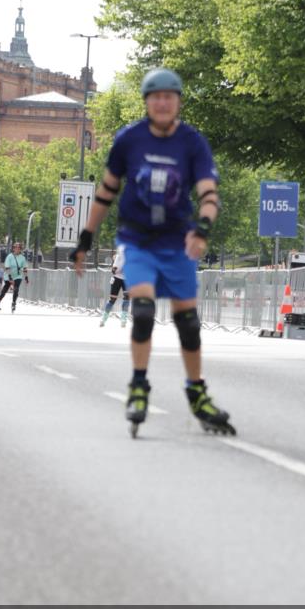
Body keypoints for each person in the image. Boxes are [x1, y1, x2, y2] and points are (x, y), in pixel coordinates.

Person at [71, 67, 235, 435]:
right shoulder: (129, 139)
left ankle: (197, 392)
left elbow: (209, 195)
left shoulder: (192, 143)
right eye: (156, 97)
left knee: (188, 324)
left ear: (177, 102)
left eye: (169, 97)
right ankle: (139, 386)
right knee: (142, 311)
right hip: (137, 239)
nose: (163, 103)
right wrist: (85, 239)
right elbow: (106, 192)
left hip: (177, 242)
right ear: (147, 102)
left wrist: (203, 228)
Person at [0, 241, 29, 313]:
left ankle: (13, 303)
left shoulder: (22, 258)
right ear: (13, 249)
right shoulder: (9, 257)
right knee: (5, 289)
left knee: (16, 289)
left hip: (17, 275)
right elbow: (7, 267)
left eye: (18, 248)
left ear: (20, 249)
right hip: (8, 275)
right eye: (15, 248)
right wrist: (10, 278)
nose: (17, 249)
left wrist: (26, 277)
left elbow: (25, 268)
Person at [100, 245, 130, 328]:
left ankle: (123, 318)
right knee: (112, 299)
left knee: (127, 297)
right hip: (117, 278)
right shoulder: (120, 252)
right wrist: (115, 269)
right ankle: (104, 318)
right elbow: (114, 268)